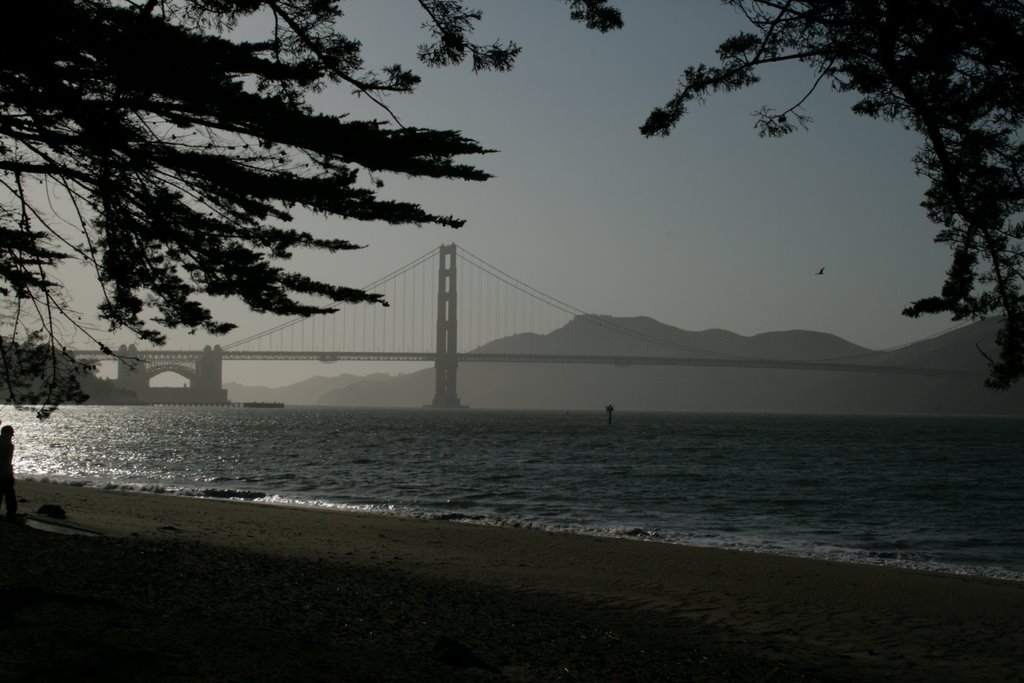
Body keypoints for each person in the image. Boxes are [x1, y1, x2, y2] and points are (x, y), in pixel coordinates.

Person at [1, 425, 17, 521]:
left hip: (6, 474)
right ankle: (11, 515)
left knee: (10, 496)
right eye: (10, 435)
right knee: (10, 496)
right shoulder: (9, 446)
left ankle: (11, 514)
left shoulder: (10, 445)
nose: (10, 438)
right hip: (5, 475)